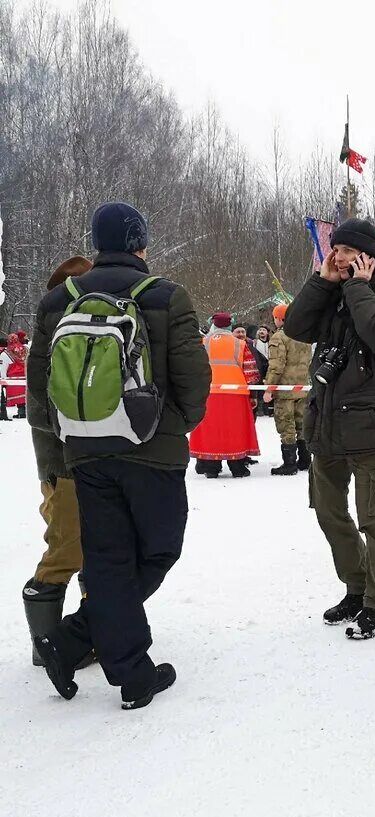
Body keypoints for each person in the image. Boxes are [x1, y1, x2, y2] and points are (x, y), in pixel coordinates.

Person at [27, 201, 211, 709]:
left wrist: (68, 440)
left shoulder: (56, 302)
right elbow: (195, 382)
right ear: (139, 244)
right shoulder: (167, 296)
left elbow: (40, 388)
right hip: (152, 449)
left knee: (107, 559)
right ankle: (77, 642)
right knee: (159, 550)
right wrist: (178, 427)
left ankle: (120, 669)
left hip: (85, 450)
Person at [285, 218, 375, 640]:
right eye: (334, 249)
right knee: (328, 512)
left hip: (373, 428)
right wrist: (322, 284)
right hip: (326, 425)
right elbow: (295, 326)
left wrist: (357, 287)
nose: (336, 257)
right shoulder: (331, 292)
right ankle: (357, 587)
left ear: (368, 257)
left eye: (345, 250)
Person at [21, 257, 92, 668]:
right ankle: (45, 644)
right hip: (62, 465)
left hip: (83, 462)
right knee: (65, 548)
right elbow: (38, 408)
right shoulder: (52, 333)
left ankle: (83, 635)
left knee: (95, 548)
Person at [189, 312, 261, 477]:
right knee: (234, 430)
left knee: (211, 430)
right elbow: (251, 372)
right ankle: (237, 466)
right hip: (236, 392)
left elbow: (193, 368)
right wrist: (253, 395)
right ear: (230, 325)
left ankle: (211, 467)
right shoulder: (240, 344)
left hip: (209, 392)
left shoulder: (203, 343)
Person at [263, 300, 312, 476]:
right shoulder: (304, 335)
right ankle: (305, 460)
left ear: (279, 318)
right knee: (302, 423)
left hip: (284, 390)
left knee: (286, 425)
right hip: (302, 387)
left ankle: (289, 463)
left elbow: (276, 365)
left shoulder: (279, 337)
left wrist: (269, 388)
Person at [2, 331, 28, 418]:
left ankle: (21, 412)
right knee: (24, 396)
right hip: (24, 377)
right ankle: (23, 411)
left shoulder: (7, 352)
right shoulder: (24, 349)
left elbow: (4, 366)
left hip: (13, 378)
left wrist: (3, 378)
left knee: (18, 397)